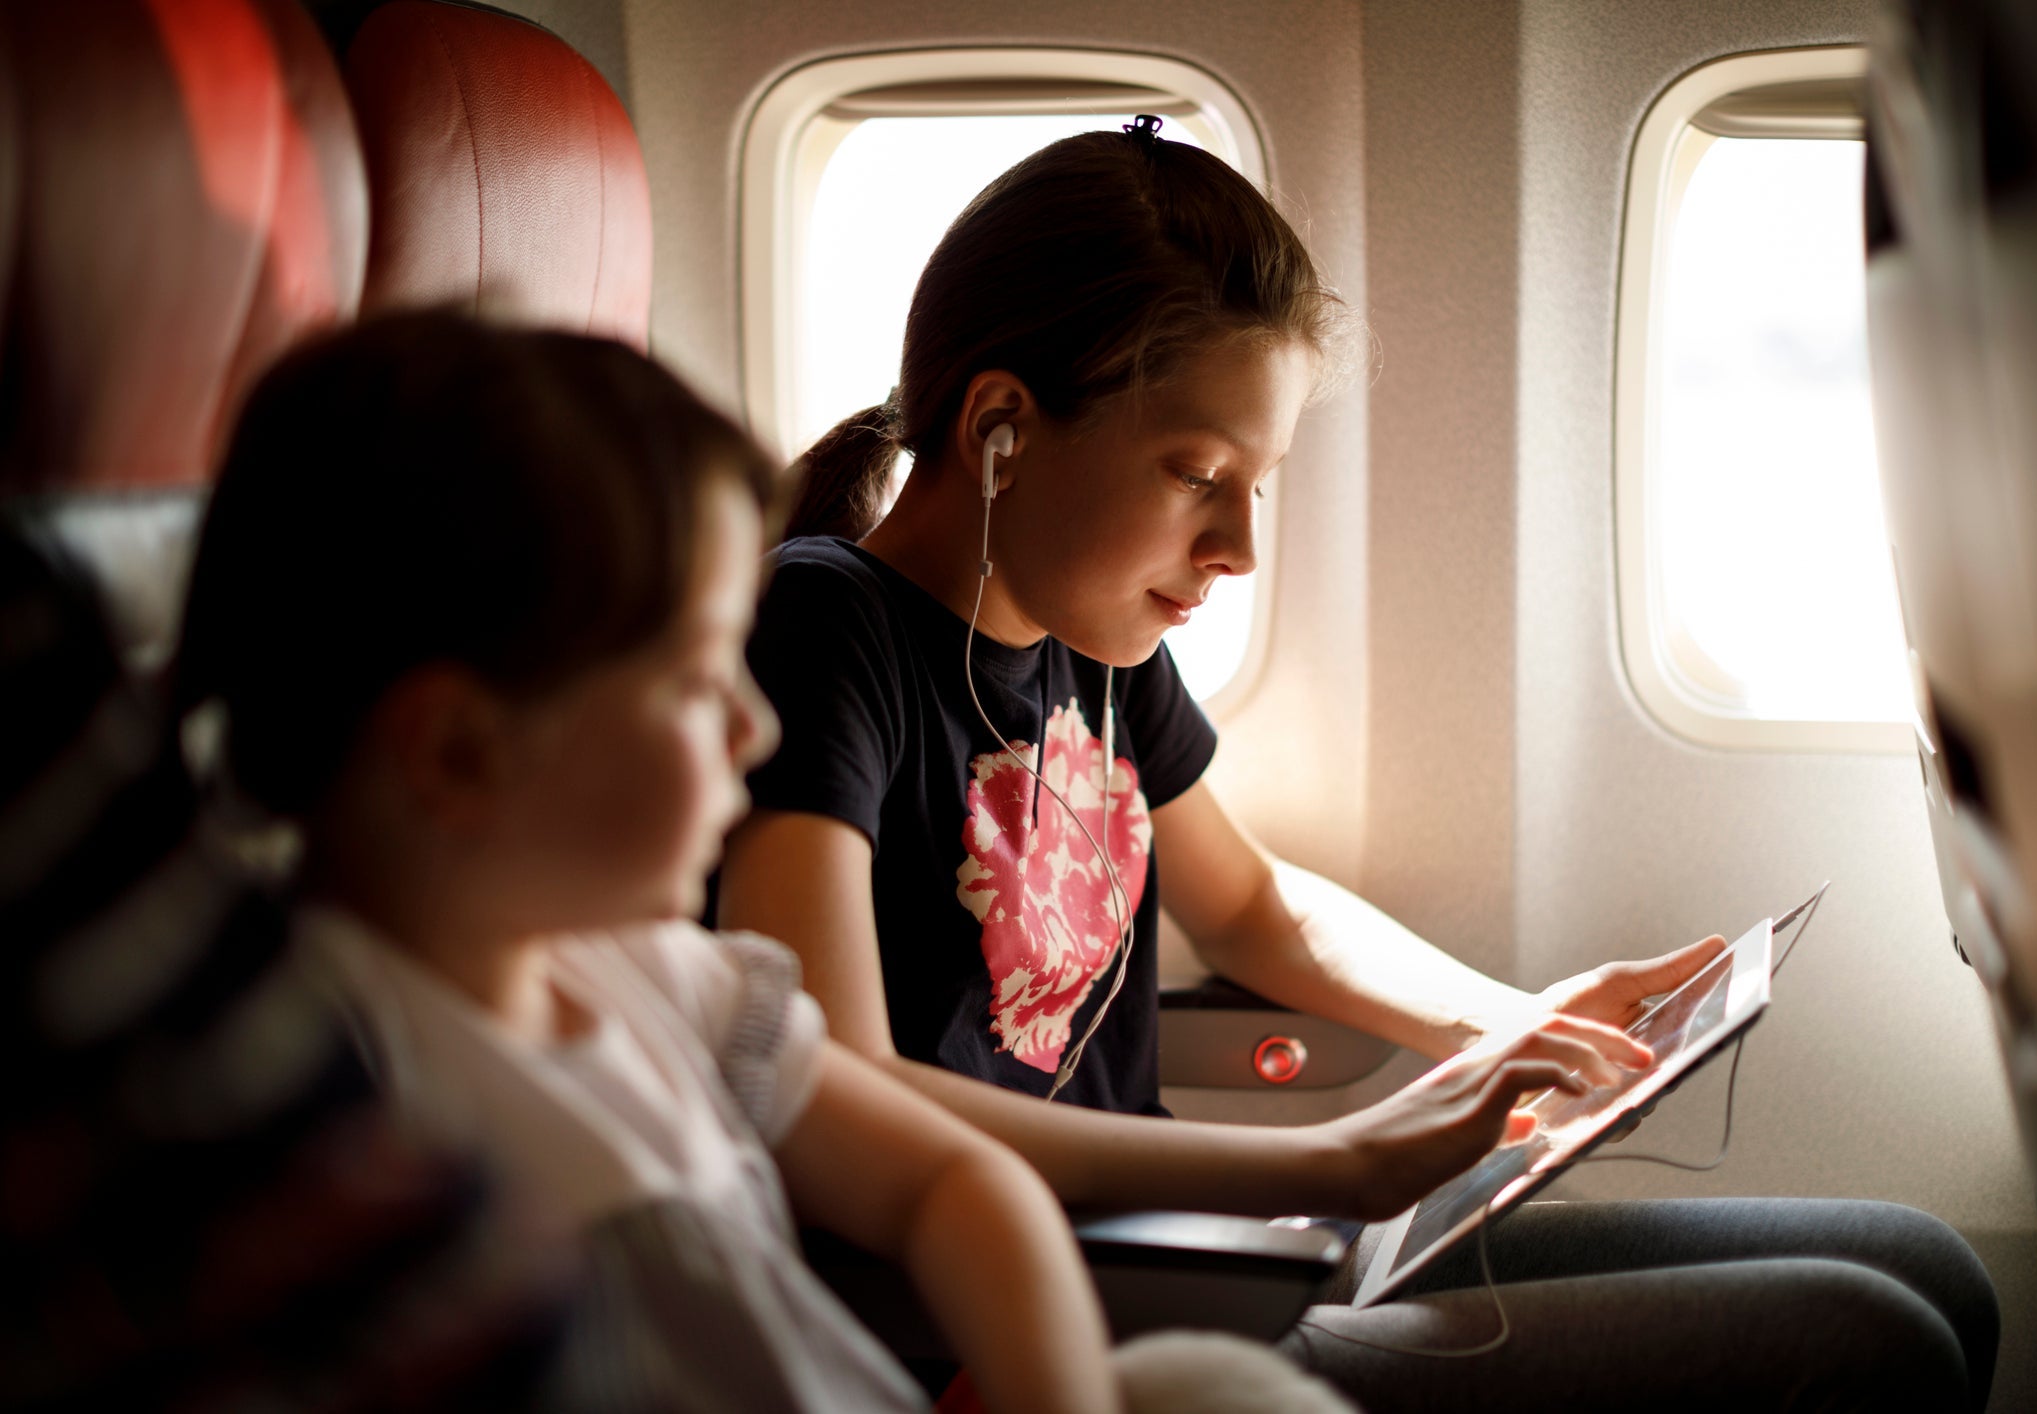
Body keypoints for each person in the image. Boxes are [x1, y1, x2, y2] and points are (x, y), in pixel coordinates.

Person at [716, 122, 2000, 1410]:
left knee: (1928, 1267)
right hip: (1008, 1327)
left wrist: (1514, 1023)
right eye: (1196, 473)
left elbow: (1253, 907)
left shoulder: (1092, 644)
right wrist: (1332, 1162)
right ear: (1001, 427)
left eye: (1257, 484)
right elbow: (835, 1083)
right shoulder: (825, 628)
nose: (1237, 546)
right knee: (1872, 1336)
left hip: (1179, 1260)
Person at [172, 311, 1355, 1414]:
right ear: (459, 751)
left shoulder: (660, 976)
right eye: (698, 682)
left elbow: (955, 1184)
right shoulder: (337, 1095)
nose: (754, 727)